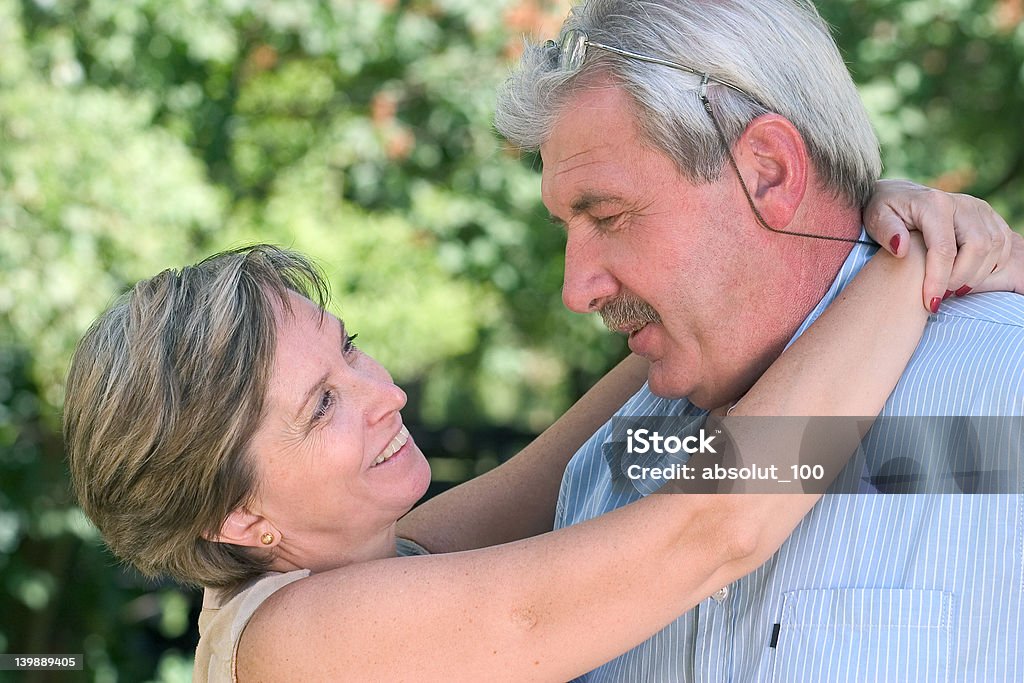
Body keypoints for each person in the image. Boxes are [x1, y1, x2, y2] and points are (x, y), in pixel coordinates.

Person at [63, 228, 1019, 681]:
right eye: (322, 405)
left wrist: (835, 249)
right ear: (238, 515)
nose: (386, 391)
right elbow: (715, 525)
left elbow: (618, 427)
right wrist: (910, 268)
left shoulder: (381, 556)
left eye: (348, 347)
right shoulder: (306, 640)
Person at [493, 0, 1024, 680]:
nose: (578, 289)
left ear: (768, 170)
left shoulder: (1003, 392)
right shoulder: (609, 470)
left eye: (610, 215)